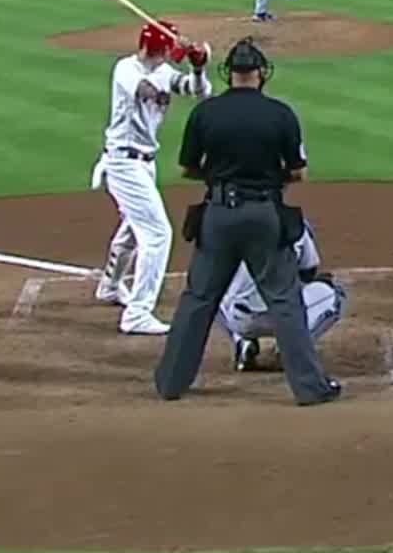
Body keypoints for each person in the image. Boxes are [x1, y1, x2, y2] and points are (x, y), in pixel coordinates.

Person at [156, 38, 341, 405]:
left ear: (229, 74)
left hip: (218, 214)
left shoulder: (206, 113)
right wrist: (269, 178)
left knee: (198, 298)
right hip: (263, 215)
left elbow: (188, 168)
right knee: (285, 301)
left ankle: (170, 383)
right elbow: (299, 172)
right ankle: (309, 388)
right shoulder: (280, 114)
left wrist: (219, 178)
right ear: (260, 73)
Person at [91, 21, 213, 335]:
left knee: (134, 227)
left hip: (144, 163)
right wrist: (183, 53)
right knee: (157, 234)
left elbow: (199, 94)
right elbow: (146, 90)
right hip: (123, 162)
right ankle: (137, 313)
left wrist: (198, 68)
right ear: (154, 49)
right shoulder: (126, 69)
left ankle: (110, 285)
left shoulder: (162, 70)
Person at [217, 220, 346, 372]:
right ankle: (291, 349)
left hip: (240, 320)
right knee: (335, 293)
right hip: (285, 316)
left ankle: (242, 342)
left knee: (210, 291)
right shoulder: (294, 222)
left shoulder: (226, 225)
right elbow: (308, 272)